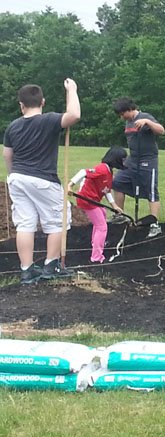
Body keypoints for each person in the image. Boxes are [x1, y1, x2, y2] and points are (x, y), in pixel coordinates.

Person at [2, 79, 81, 284]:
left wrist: (13, 176)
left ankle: (27, 270)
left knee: (25, 223)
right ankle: (50, 265)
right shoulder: (49, 120)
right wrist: (71, 90)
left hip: (17, 178)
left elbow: (7, 155)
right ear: (43, 102)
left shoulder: (13, 126)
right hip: (43, 179)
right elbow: (74, 115)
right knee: (57, 221)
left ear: (21, 105)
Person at [111, 97, 165, 238]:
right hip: (132, 161)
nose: (121, 117)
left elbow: (161, 130)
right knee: (117, 182)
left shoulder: (145, 117)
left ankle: (154, 224)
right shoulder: (128, 122)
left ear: (129, 109)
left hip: (147, 160)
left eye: (122, 114)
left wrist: (147, 122)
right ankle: (120, 216)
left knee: (151, 191)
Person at [67, 147, 126, 263]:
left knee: (102, 213)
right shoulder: (102, 169)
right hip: (86, 200)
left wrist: (114, 205)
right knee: (102, 227)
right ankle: (96, 257)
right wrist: (70, 185)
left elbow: (106, 190)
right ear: (116, 159)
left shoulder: (109, 172)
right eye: (123, 159)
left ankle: (96, 243)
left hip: (94, 200)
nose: (124, 162)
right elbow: (83, 172)